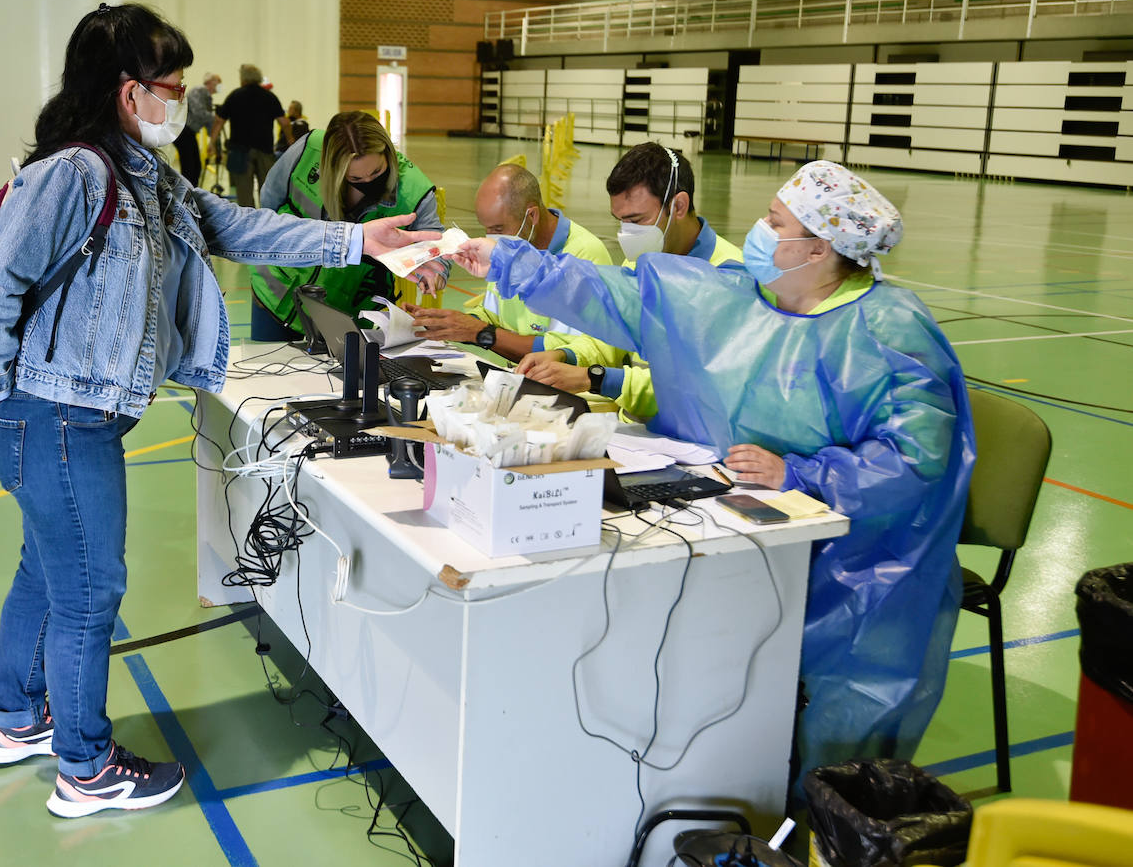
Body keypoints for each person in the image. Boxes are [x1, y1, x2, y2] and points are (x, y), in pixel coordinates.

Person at [0, 3, 436, 819]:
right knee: (90, 591)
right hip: (55, 418)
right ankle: (84, 767)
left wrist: (358, 243)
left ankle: (16, 718)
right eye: (171, 86)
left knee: (48, 568)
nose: (181, 101)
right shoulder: (76, 173)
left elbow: (234, 226)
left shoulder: (141, 173)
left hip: (68, 418)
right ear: (131, 91)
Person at [450, 160, 976, 789]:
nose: (758, 229)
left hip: (857, 562)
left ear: (818, 245)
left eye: (774, 222)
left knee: (832, 721)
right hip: (728, 512)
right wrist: (508, 262)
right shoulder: (737, 300)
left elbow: (916, 459)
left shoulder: (889, 330)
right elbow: (623, 295)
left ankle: (808, 818)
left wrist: (803, 473)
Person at [517, 143, 740, 420]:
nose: (626, 234)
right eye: (620, 221)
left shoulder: (730, 277)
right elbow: (611, 339)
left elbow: (698, 393)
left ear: (679, 206)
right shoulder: (642, 261)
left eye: (636, 220)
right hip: (635, 433)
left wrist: (596, 378)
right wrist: (564, 356)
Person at [253, 110, 448, 341]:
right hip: (275, 295)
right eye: (355, 179)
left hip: (344, 316)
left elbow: (437, 247)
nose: (367, 181)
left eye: (377, 172)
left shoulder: (415, 191)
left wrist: (435, 272)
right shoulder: (307, 151)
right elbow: (269, 204)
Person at [405, 163, 614, 362]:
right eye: (486, 229)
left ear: (531, 216)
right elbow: (493, 316)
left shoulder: (585, 255)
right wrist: (449, 323)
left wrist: (478, 332)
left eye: (497, 229)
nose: (490, 237)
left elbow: (571, 354)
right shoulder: (508, 249)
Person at [213, 63, 290, 206]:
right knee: (267, 191)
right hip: (264, 151)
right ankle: (268, 221)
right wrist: (291, 141)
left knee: (244, 194)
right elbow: (284, 122)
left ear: (243, 79)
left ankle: (248, 223)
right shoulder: (269, 96)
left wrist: (212, 143)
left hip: (240, 152)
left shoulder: (235, 95)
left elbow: (219, 121)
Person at [175, 72, 220, 185]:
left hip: (190, 133)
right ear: (210, 82)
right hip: (184, 131)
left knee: (196, 166)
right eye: (218, 82)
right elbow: (199, 112)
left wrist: (214, 143)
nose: (220, 85)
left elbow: (209, 124)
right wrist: (216, 118)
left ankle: (192, 190)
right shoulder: (199, 91)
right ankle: (188, 193)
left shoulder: (208, 97)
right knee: (190, 167)